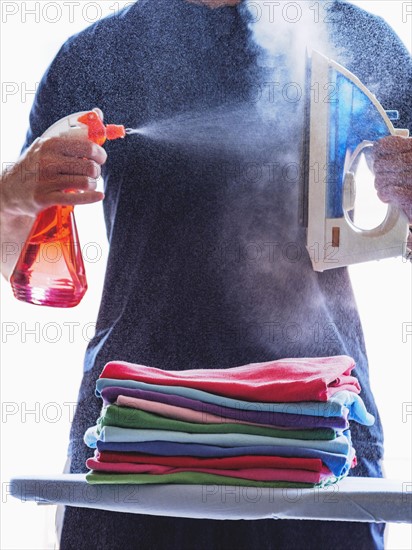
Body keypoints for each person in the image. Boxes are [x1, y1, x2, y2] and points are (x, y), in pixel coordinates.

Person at [1, 0, 411, 548]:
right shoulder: (91, 57)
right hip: (133, 433)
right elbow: (13, 255)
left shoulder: (357, 38)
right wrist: (13, 189)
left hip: (319, 432)